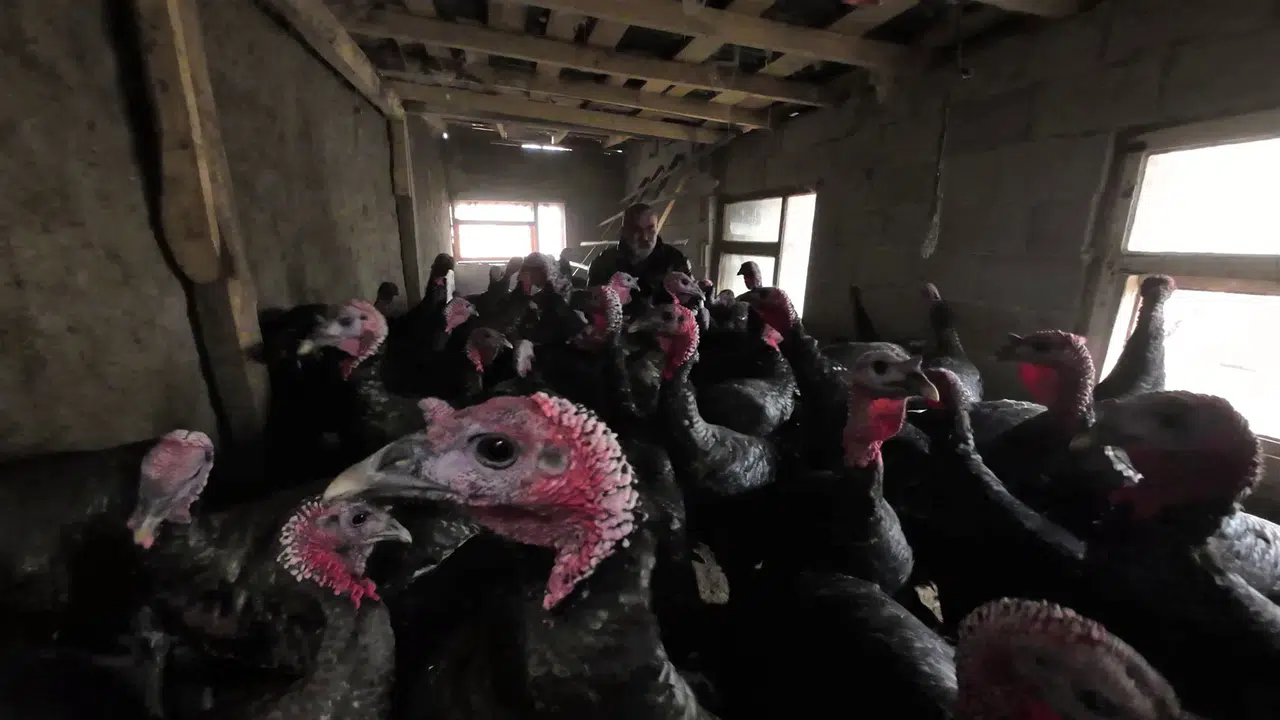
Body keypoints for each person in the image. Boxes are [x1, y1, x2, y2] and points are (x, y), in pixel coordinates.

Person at [587, 203, 692, 295]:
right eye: (637, 230)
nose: (644, 237)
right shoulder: (604, 264)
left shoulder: (675, 260)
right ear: (624, 232)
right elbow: (591, 305)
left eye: (650, 229)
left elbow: (693, 302)